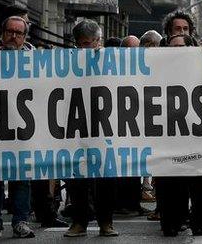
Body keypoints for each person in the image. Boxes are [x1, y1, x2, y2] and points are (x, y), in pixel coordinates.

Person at [156, 17, 202, 236]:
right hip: (167, 129)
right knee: (169, 178)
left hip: (198, 128)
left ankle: (198, 222)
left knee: (199, 179)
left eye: (184, 45)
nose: (179, 49)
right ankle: (171, 222)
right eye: (175, 45)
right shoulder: (157, 68)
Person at [60, 19, 118, 238]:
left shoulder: (112, 60)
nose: (86, 48)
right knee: (77, 176)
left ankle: (106, 222)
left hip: (105, 124)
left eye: (90, 43)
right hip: (75, 124)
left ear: (98, 41)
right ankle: (79, 222)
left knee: (106, 176)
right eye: (82, 44)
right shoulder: (65, 61)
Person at [0, 16, 36, 239]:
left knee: (22, 177)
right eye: (10, 31)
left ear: (24, 37)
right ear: (2, 33)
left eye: (19, 33)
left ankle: (20, 220)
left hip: (23, 127)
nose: (14, 36)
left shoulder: (35, 58)